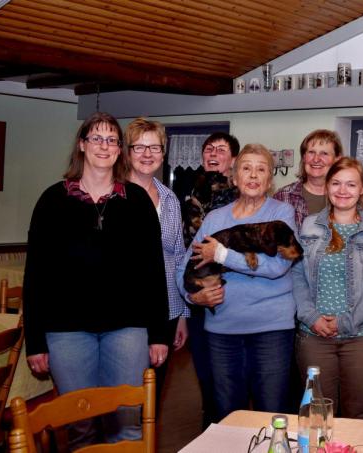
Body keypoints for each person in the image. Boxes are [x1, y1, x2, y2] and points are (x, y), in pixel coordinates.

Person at [23, 112, 168, 449]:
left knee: (128, 425)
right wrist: (35, 341)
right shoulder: (52, 201)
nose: (104, 146)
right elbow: (36, 276)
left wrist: (159, 334)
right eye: (97, 138)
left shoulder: (137, 203)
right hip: (67, 333)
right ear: (82, 145)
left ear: (120, 151)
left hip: (127, 329)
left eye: (112, 140)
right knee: (80, 427)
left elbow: (153, 272)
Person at [175, 144, 298, 420]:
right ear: (234, 177)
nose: (253, 175)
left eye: (261, 169)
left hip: (271, 330)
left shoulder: (281, 214)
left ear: (269, 180)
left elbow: (277, 266)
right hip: (222, 331)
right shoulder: (215, 218)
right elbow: (184, 265)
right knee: (229, 414)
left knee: (273, 414)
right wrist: (193, 296)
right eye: (246, 168)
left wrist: (221, 254)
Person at [292, 157, 363, 419]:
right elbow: (296, 275)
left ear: (362, 189)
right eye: (336, 183)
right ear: (326, 187)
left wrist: (346, 322)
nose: (342, 190)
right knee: (318, 415)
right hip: (314, 338)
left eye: (351, 184)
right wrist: (311, 317)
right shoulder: (308, 227)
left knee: (358, 414)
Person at [125, 117, 188, 406]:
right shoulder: (113, 196)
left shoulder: (170, 199)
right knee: (123, 396)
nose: (147, 154)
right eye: (139, 147)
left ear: (163, 153)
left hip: (166, 310)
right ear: (127, 152)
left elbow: (178, 257)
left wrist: (183, 315)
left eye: (155, 147)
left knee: (153, 396)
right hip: (124, 311)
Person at [182, 131, 240, 427]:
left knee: (230, 372)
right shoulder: (193, 192)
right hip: (196, 292)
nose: (212, 153)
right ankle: (211, 424)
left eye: (220, 149)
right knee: (204, 366)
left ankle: (234, 424)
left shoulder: (241, 194)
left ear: (233, 159)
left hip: (230, 292)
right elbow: (185, 245)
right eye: (208, 148)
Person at [273, 129, 343, 229]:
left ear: (337, 159)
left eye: (324, 153)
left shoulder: (346, 197)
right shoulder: (283, 196)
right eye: (311, 152)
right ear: (304, 157)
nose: (316, 159)